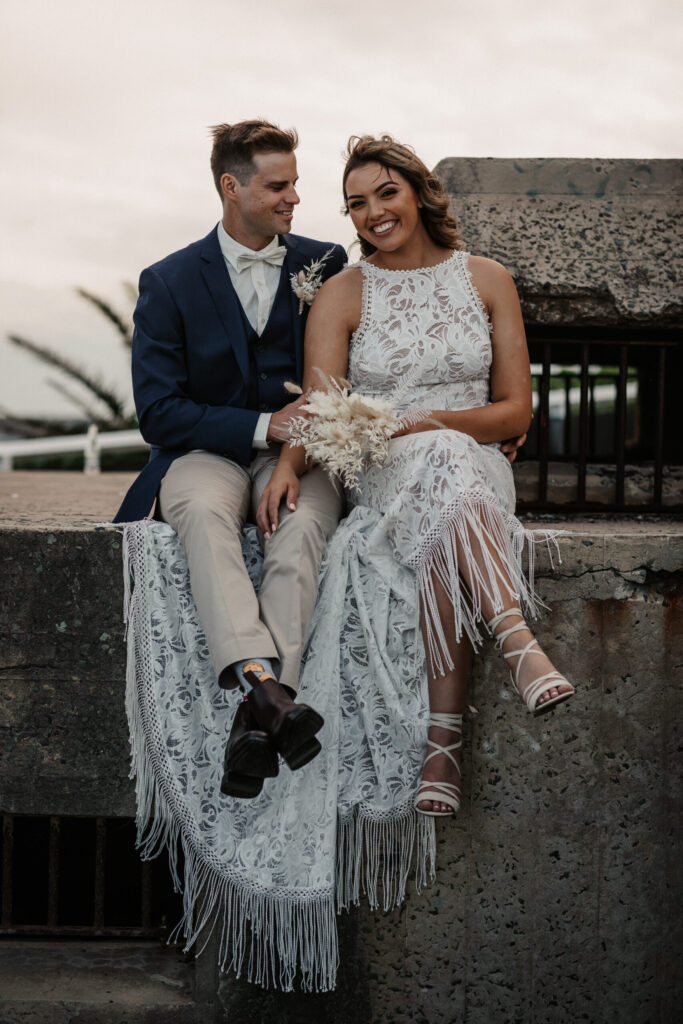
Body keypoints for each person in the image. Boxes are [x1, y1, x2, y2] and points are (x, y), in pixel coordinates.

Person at [257, 134, 574, 818]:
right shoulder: (342, 293)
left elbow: (515, 410)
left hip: (472, 461)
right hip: (380, 466)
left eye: (386, 193)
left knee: (446, 464)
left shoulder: (487, 279)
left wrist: (424, 422)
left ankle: (443, 742)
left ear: (419, 193)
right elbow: (321, 405)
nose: (373, 213)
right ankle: (515, 641)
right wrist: (286, 465)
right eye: (356, 204)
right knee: (439, 470)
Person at [114, 120, 346, 799]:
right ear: (230, 187)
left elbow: (344, 370)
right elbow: (159, 412)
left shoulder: (326, 263)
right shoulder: (168, 281)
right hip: (204, 452)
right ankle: (273, 697)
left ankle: (261, 706)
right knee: (203, 517)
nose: (294, 198)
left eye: (295, 183)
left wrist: (289, 448)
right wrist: (262, 425)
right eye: (277, 186)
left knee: (301, 527)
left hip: (302, 457)